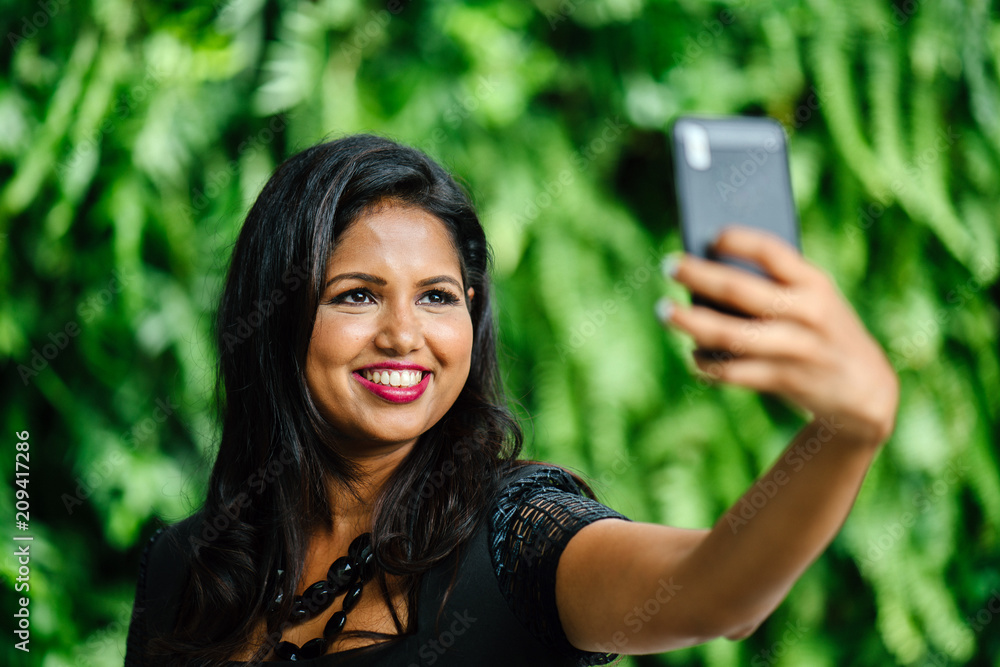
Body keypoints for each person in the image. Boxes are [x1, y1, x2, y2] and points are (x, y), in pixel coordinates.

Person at [124, 134, 898, 666]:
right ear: (277, 315)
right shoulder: (183, 568)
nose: (404, 335)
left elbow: (712, 591)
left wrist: (846, 430)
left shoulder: (515, 533)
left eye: (436, 296)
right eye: (358, 295)